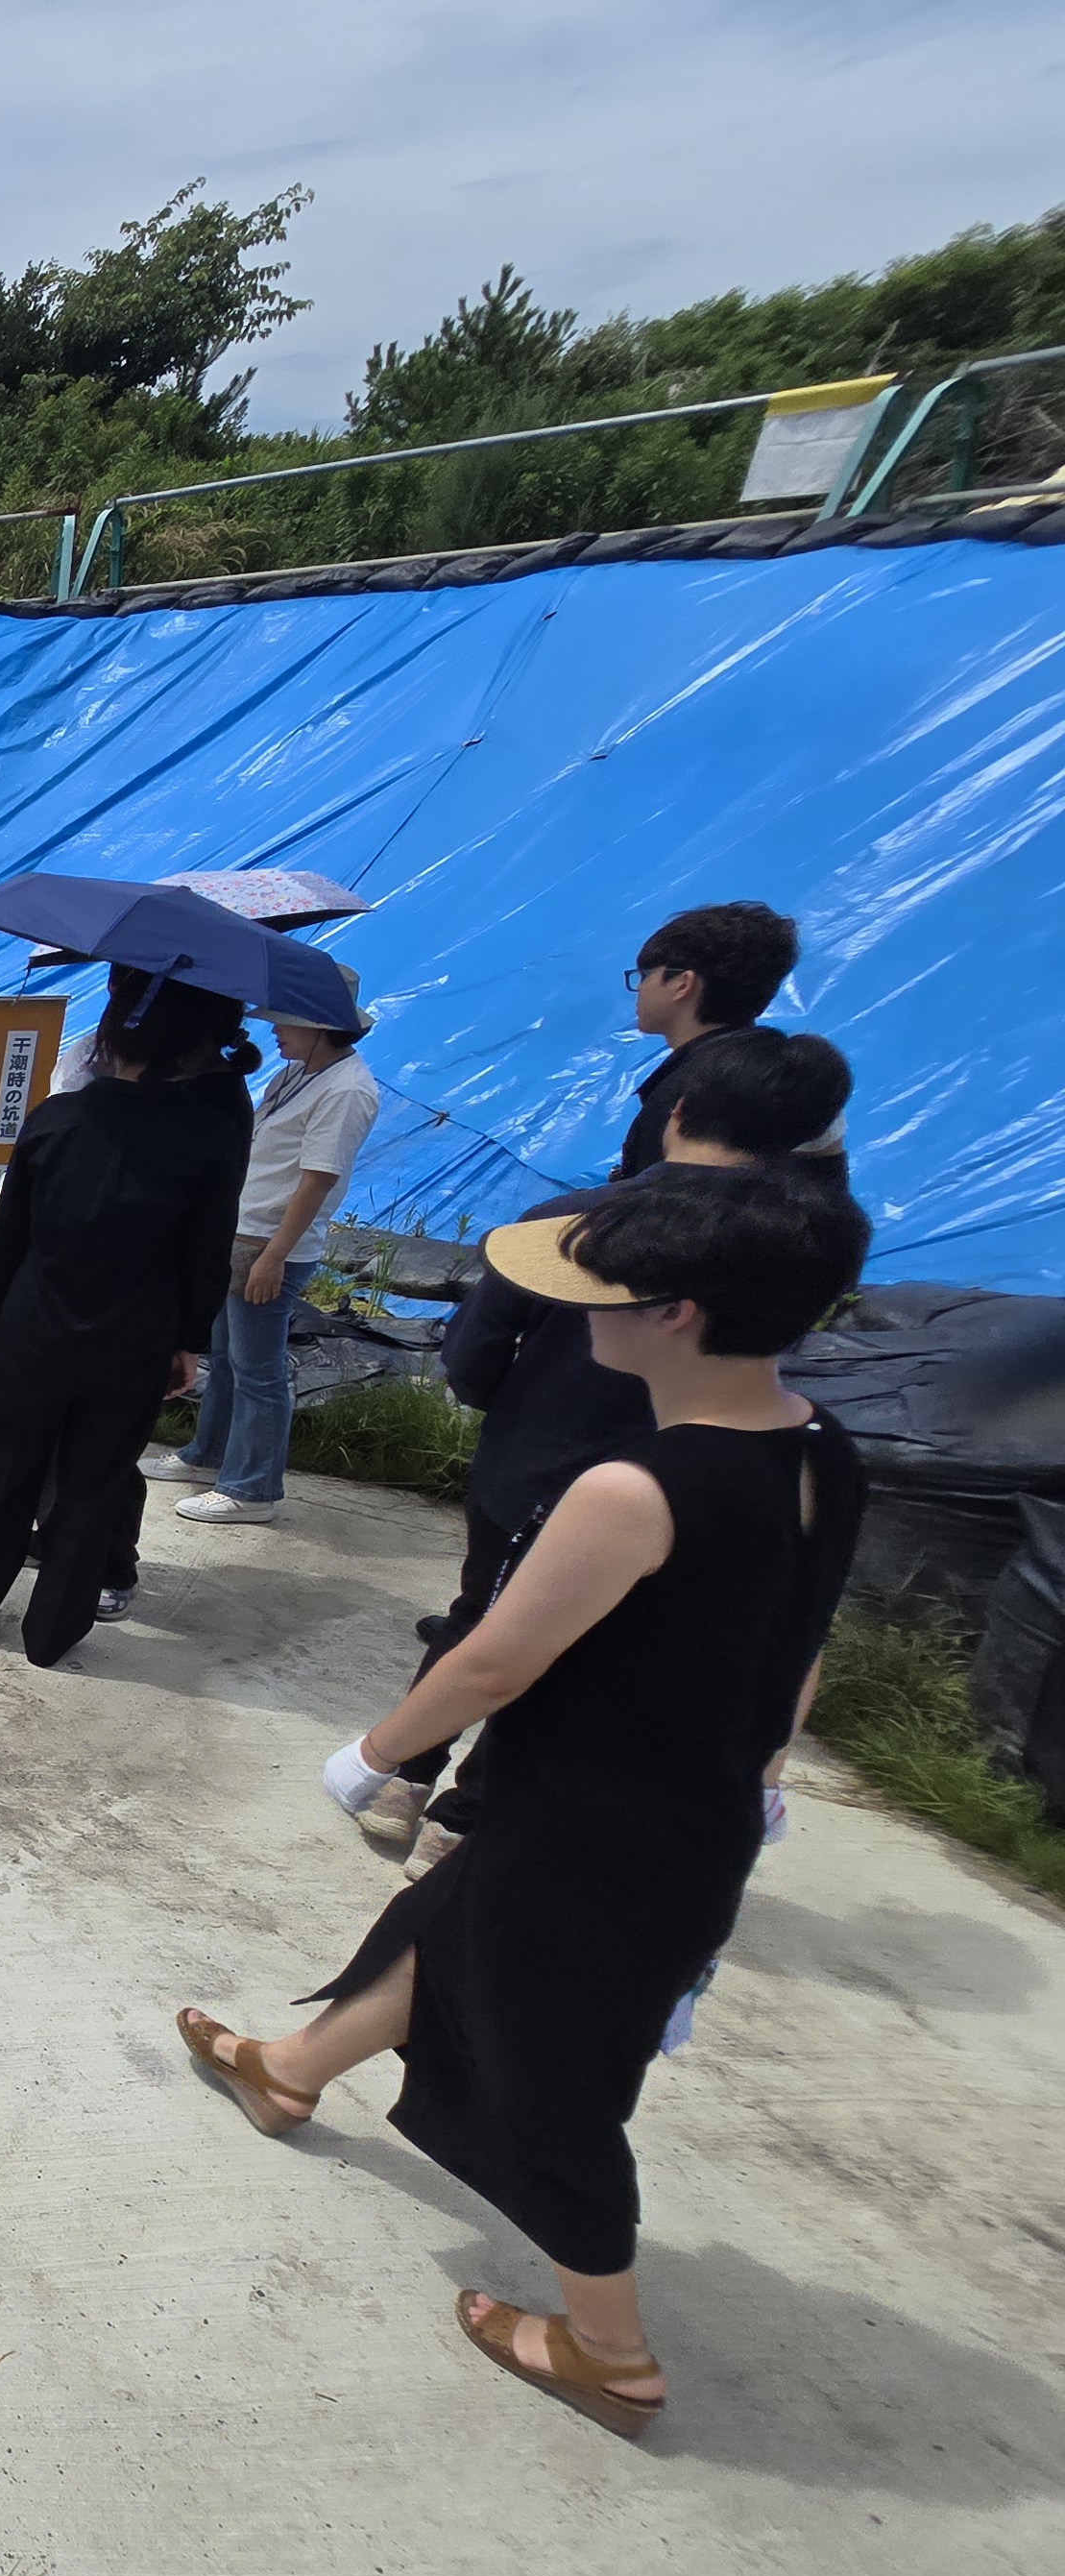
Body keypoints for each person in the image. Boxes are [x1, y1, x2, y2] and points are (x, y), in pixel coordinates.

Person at [176, 1165, 871, 2440]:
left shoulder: (633, 1489)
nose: (577, 1316)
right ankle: (286, 2070)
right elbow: (802, 1633)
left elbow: (497, 1656)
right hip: (683, 1809)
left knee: (551, 2083)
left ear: (676, 1315)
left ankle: (610, 2349)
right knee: (441, 1930)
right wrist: (768, 1758)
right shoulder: (819, 1446)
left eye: (598, 1294)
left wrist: (375, 1755)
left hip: (593, 1834)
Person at [351, 1029, 859, 1866]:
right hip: (650, 1507)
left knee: (489, 1626)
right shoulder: (793, 1258)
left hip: (534, 1465)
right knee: (568, 1651)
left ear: (680, 1112)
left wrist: (360, 1758)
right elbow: (801, 1638)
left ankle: (410, 1773)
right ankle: (466, 1813)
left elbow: (476, 1351)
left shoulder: (578, 1223)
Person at [0, 976, 252, 1665]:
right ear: (188, 1054)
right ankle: (53, 1634)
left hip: (34, 1327)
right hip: (135, 1339)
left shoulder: (54, 1120)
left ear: (105, 1042)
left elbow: (9, 1240)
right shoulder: (207, 1138)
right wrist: (189, 1338)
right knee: (94, 1483)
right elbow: (206, 1251)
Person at [156, 964, 378, 1527]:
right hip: (244, 1232)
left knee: (259, 1370)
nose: (274, 1031)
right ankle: (208, 1456)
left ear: (322, 1025)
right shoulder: (297, 1073)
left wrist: (275, 1255)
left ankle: (253, 1489)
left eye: (286, 1021)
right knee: (228, 1360)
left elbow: (317, 1178)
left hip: (268, 1245)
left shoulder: (347, 1089)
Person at [616, 901, 799, 1180]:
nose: (639, 988)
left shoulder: (685, 1094)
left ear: (682, 984)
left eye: (645, 975)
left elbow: (657, 1206)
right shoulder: (787, 1071)